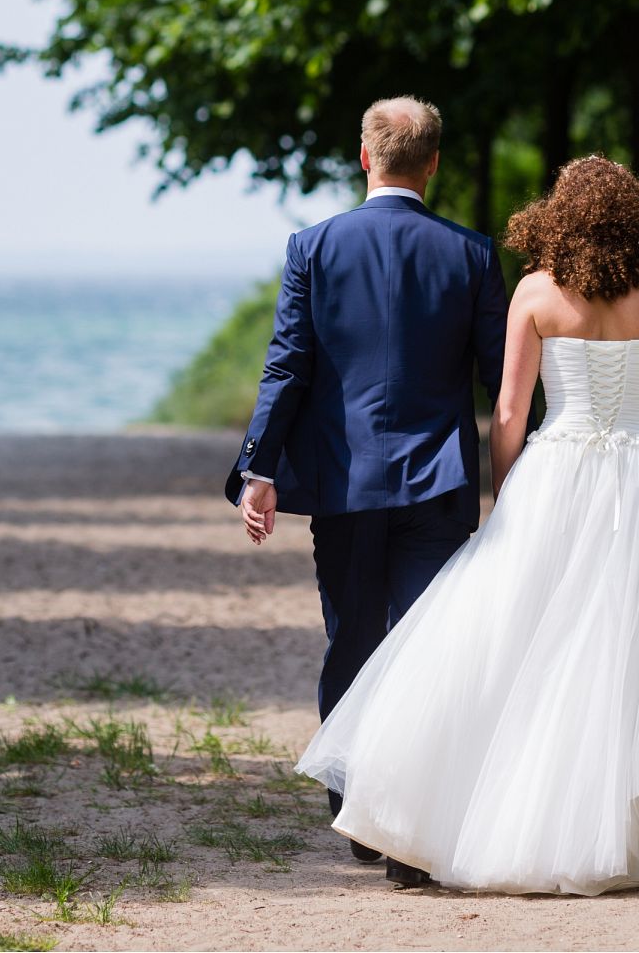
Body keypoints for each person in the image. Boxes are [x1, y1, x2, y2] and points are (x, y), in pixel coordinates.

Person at [293, 154, 639, 895]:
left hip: (558, 473)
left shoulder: (534, 293)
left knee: (533, 644)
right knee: (636, 651)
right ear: (638, 218)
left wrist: (505, 498)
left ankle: (502, 819)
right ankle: (630, 835)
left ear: (556, 217)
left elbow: (512, 411)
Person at [225, 95, 509, 887]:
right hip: (439, 481)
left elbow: (288, 367)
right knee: (425, 648)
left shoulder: (313, 247)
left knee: (353, 638)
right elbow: (502, 381)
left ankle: (355, 799)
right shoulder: (472, 254)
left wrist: (260, 468)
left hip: (345, 483)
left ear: (365, 158)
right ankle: (408, 826)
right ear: (435, 163)